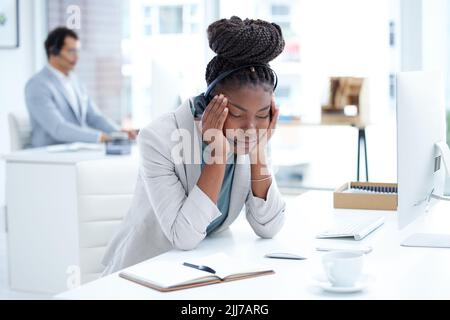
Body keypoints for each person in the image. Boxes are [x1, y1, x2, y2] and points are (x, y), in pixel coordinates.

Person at [102, 16, 286, 275]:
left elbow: (269, 226)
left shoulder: (253, 134)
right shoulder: (159, 138)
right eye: (237, 113)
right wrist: (218, 155)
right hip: (144, 272)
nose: (250, 128)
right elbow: (184, 237)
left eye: (262, 114)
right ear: (211, 103)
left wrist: (259, 151)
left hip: (202, 268)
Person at [25, 27, 137, 148]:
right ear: (53, 51)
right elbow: (58, 128)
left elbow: (94, 116)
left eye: (77, 51)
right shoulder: (37, 85)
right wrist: (99, 137)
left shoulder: (75, 80)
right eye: (71, 51)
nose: (77, 57)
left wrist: (118, 132)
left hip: (76, 150)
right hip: (48, 155)